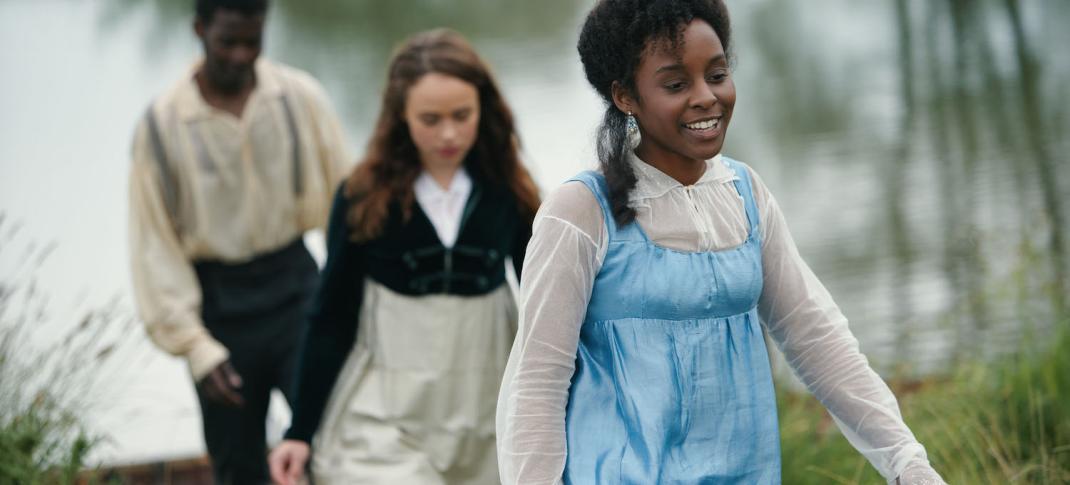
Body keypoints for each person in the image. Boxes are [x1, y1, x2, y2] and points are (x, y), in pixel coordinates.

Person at [495, 1, 948, 484]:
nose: (706, 97)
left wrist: (905, 461)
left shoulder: (744, 193)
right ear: (625, 95)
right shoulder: (579, 213)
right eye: (675, 84)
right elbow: (536, 384)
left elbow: (818, 339)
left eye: (717, 74)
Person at [267, 29, 540, 485]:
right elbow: (331, 315)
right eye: (430, 119)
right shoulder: (363, 197)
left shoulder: (509, 192)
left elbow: (546, 303)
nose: (448, 133)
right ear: (401, 117)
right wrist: (299, 431)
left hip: (487, 408)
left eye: (461, 115)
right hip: (389, 411)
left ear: (484, 110)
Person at [127, 0, 350, 481]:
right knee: (238, 466)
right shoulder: (161, 127)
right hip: (219, 308)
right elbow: (154, 249)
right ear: (199, 29)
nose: (241, 55)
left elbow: (347, 209)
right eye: (228, 41)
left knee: (335, 444)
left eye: (253, 41)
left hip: (298, 292)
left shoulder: (299, 97)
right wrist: (197, 348)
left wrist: (351, 301)